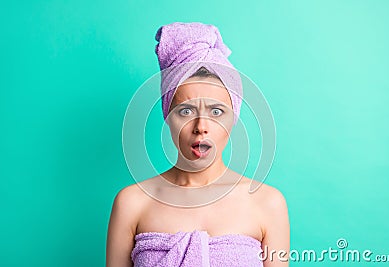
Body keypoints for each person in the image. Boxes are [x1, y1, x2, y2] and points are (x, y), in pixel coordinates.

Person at [106, 22, 290, 267]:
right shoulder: (131, 203)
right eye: (185, 111)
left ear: (233, 119)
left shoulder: (267, 203)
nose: (201, 126)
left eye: (216, 111)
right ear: (168, 117)